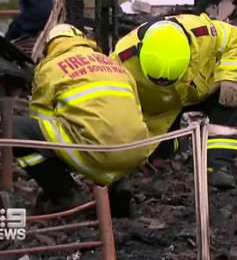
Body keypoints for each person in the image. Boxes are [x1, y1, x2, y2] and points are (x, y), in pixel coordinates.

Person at [12, 24, 154, 217]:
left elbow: (40, 118)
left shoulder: (50, 67)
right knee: (115, 124)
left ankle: (64, 195)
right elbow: (135, 112)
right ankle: (118, 184)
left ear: (50, 46)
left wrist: (56, 165)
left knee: (17, 130)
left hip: (98, 152)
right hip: (136, 152)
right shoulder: (113, 64)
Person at [110, 13, 237, 189]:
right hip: (161, 107)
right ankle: (169, 152)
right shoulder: (122, 57)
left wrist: (229, 78)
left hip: (201, 88)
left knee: (229, 100)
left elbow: (231, 37)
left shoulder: (202, 32)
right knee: (156, 156)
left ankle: (219, 165)